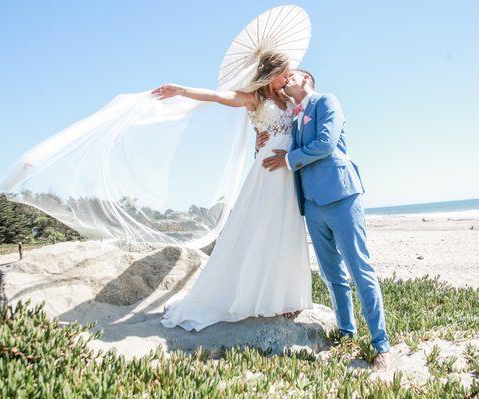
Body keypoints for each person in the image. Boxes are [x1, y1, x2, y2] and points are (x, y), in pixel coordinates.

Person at [152, 51, 313, 332]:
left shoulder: (290, 100)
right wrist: (182, 90)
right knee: (259, 228)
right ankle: (245, 295)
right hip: (268, 172)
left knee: (286, 229)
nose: (289, 77)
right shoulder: (255, 99)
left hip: (288, 171)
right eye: (285, 73)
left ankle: (285, 297)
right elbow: (217, 97)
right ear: (271, 74)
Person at [257, 69, 391, 369]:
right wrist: (260, 140)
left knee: (359, 270)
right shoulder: (293, 117)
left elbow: (326, 143)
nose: (286, 78)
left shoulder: (327, 101)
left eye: (292, 74)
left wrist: (288, 159)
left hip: (342, 195)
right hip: (313, 204)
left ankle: (381, 345)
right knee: (332, 274)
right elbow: (279, 140)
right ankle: (346, 332)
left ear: (306, 81)